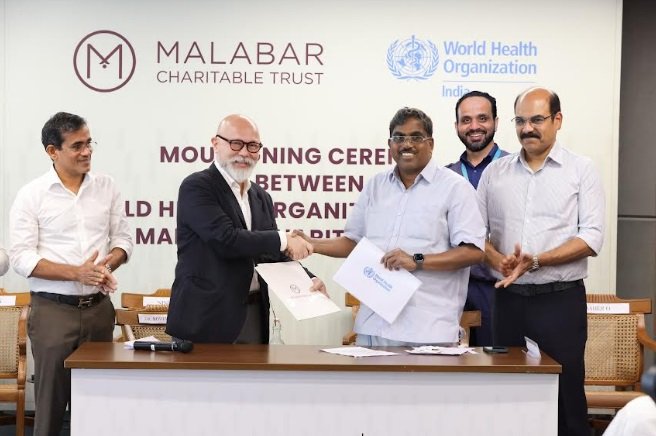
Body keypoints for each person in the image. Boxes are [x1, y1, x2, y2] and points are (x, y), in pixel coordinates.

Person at [298, 107, 485, 346]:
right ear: (390, 144)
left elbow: (474, 252)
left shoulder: (455, 188)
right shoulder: (376, 186)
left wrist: (417, 260)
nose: (406, 144)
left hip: (428, 331)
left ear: (430, 144)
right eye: (399, 137)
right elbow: (353, 242)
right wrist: (312, 244)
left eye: (416, 137)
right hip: (372, 327)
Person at [478, 87, 605, 436]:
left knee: (566, 396)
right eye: (520, 121)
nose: (527, 128)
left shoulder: (581, 170)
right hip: (507, 300)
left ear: (557, 120)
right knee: (506, 394)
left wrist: (536, 261)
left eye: (536, 120)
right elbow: (474, 234)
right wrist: (499, 260)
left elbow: (591, 237)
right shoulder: (495, 173)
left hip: (559, 301)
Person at [9, 112, 133, 436]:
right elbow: (21, 257)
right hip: (52, 312)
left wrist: (105, 268)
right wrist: (77, 273)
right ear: (52, 151)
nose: (87, 151)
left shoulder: (107, 186)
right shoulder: (31, 195)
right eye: (77, 146)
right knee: (50, 407)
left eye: (89, 143)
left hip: (99, 311)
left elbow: (123, 241)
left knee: (97, 406)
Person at [166, 114, 323, 344]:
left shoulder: (261, 197)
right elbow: (226, 239)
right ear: (216, 144)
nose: (244, 153)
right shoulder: (197, 187)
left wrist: (309, 280)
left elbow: (271, 254)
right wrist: (284, 239)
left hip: (253, 314)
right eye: (236, 143)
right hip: (204, 319)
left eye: (252, 146)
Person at [446, 90, 509, 346]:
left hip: (502, 288)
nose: (474, 127)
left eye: (482, 118)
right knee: (451, 365)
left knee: (499, 363)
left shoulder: (515, 169)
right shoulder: (445, 177)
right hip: (453, 288)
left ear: (496, 122)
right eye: (466, 120)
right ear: (457, 126)